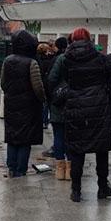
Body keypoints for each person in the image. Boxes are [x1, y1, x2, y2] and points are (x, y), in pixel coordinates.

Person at [50, 27, 111, 202]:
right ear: (89, 39)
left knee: (77, 150)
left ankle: (76, 190)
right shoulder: (100, 58)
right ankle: (103, 187)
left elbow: (63, 81)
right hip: (98, 107)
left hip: (76, 107)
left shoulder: (66, 59)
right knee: (101, 150)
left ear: (72, 39)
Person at [0, 30, 46, 177]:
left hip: (11, 103)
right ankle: (21, 169)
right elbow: (37, 86)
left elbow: (3, 83)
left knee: (12, 137)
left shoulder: (7, 60)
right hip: (29, 105)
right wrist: (43, 99)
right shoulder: (32, 63)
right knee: (25, 139)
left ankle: (11, 167)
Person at [45, 36, 69, 178]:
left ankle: (60, 169)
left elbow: (51, 79)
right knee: (72, 137)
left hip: (59, 101)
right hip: (77, 102)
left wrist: (53, 95)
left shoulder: (59, 59)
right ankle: (71, 169)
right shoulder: (84, 58)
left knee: (59, 135)